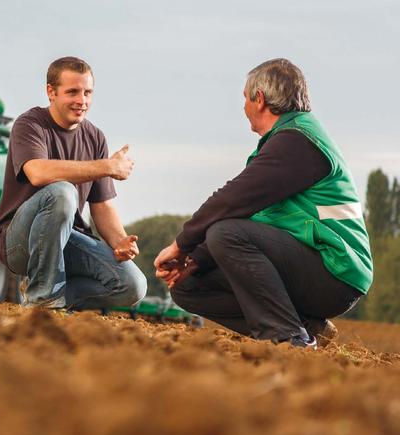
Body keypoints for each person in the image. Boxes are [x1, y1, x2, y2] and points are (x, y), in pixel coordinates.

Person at [154, 59, 372, 348]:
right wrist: (194, 261)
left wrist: (181, 245)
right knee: (187, 287)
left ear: (259, 99)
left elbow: (233, 199)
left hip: (336, 272)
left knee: (226, 233)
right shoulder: (286, 141)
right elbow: (256, 215)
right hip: (312, 263)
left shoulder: (299, 141)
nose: (243, 107)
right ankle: (309, 328)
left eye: (244, 98)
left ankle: (289, 338)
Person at [0, 57, 147, 310]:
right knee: (62, 192)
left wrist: (119, 241)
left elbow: (102, 206)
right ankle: (44, 299)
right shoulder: (30, 124)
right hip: (19, 241)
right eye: (72, 92)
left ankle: (46, 298)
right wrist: (106, 166)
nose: (81, 101)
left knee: (132, 285)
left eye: (87, 92)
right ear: (51, 92)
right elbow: (37, 172)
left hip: (67, 238)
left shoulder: (94, 137)